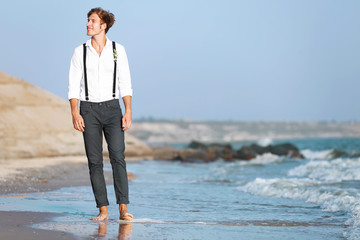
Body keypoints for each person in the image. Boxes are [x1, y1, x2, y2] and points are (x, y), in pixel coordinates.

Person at [68, 7, 133, 221]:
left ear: (103, 25)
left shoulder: (117, 49)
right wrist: (75, 113)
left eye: (93, 21)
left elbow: (125, 82)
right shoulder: (80, 51)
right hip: (88, 110)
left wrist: (128, 110)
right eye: (88, 20)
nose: (88, 24)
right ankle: (103, 209)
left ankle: (123, 207)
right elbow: (73, 85)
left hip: (113, 109)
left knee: (118, 157)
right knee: (94, 161)